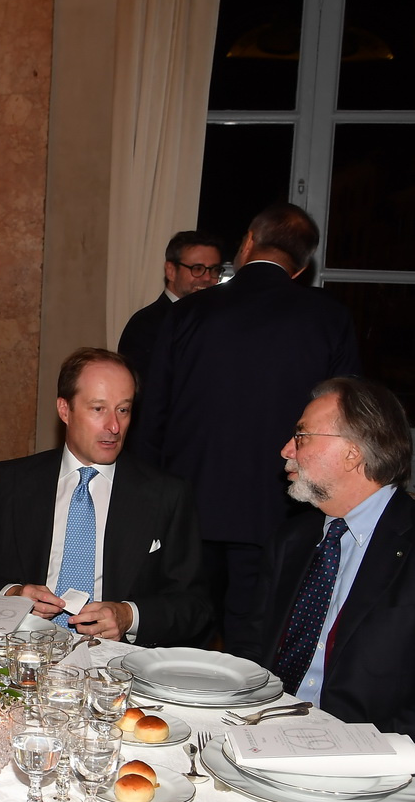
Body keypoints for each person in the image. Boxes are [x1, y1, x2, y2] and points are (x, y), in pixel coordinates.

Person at [236, 376, 415, 802]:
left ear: (353, 453)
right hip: (268, 755)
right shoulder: (293, 539)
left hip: (380, 783)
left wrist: (341, 756)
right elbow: (252, 653)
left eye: (301, 436)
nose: (286, 450)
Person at [136, 203, 362, 653]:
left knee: (180, 633)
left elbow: (152, 416)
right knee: (256, 641)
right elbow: (347, 422)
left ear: (248, 243)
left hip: (189, 505)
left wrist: (144, 503)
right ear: (301, 267)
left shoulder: (189, 313)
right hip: (280, 509)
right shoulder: (329, 318)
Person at [0, 348, 211, 646]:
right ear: (65, 410)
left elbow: (195, 606)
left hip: (116, 663)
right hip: (21, 653)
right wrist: (14, 595)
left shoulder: (165, 494)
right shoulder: (12, 482)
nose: (114, 426)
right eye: (98, 409)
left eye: (123, 410)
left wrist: (128, 615)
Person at [116, 230, 224, 390]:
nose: (208, 278)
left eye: (214, 269)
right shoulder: (145, 325)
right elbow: (143, 391)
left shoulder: (218, 321)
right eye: (197, 268)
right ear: (171, 271)